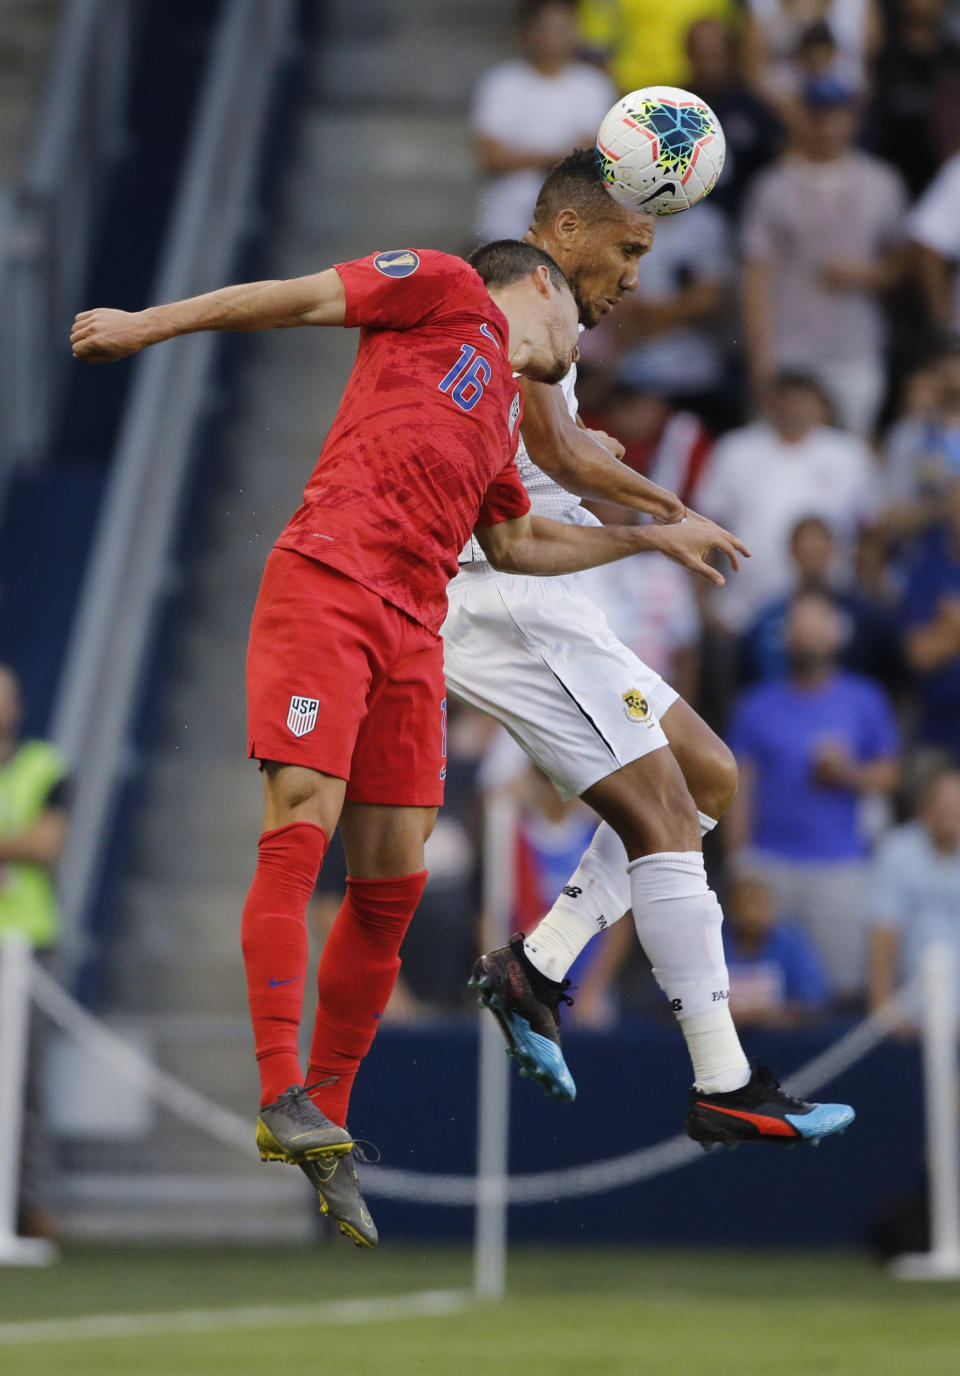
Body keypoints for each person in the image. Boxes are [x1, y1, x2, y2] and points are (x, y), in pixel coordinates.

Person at [71, 238, 751, 1245]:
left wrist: (650, 533)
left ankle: (328, 1119)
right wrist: (147, 324)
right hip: (329, 582)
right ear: (541, 287)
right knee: (304, 817)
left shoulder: (497, 423)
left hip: (415, 625)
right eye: (584, 313)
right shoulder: (444, 286)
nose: (589, 336)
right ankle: (277, 1089)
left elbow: (520, 544)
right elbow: (294, 296)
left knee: (394, 878)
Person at [449, 152, 854, 1148]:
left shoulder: (549, 311)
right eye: (629, 247)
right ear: (567, 233)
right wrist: (675, 513)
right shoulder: (517, 301)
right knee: (669, 811)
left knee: (709, 776)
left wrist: (613, 472)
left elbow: (557, 444)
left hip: (551, 592)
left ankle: (536, 966)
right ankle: (725, 1078)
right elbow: (557, 451)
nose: (636, 273)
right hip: (506, 591)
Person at [725, 591, 900, 1002]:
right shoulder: (756, 705)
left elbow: (890, 775)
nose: (808, 641)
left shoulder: (865, 698)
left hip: (840, 864)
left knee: (839, 986)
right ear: (786, 641)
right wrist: (740, 860)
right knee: (768, 989)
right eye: (800, 632)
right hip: (769, 863)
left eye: (817, 631)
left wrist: (849, 773)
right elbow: (738, 787)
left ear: (836, 638)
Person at [741, 75, 908, 434]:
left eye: (838, 115)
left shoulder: (883, 183)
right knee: (785, 448)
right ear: (802, 117)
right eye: (819, 116)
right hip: (791, 344)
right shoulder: (773, 186)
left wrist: (870, 275)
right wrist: (761, 360)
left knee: (850, 450)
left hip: (856, 344)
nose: (829, 126)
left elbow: (903, 263)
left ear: (855, 118)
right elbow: (756, 275)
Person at [696, 372, 880, 637]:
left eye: (802, 400)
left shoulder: (849, 455)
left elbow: (871, 533)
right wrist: (706, 604)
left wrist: (866, 596)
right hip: (742, 613)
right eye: (786, 400)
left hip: (829, 615)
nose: (793, 409)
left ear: (821, 406)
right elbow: (705, 531)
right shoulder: (734, 451)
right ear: (768, 403)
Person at [0, 664, 70, 1240]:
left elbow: (47, 845)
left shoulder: (42, 766)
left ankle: (32, 1208)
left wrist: (19, 847)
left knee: (26, 1086)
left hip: (27, 947)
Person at [471, 0, 615, 242]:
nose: (554, 37)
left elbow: (593, 154)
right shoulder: (501, 82)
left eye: (563, 27)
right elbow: (490, 155)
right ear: (526, 32)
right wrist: (560, 156)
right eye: (546, 28)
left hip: (574, 224)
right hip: (504, 222)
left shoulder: (594, 85)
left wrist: (522, 156)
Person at [867, 768, 960, 1024]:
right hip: (911, 1007)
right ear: (925, 808)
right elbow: (883, 932)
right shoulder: (897, 852)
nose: (949, 813)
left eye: (955, 805)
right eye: (941, 804)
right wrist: (883, 1006)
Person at [723, 869, 831, 1026]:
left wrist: (770, 1015)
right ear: (730, 908)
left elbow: (815, 996)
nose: (753, 912)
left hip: (781, 1038)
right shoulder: (712, 944)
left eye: (759, 903)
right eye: (745, 903)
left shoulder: (791, 941)